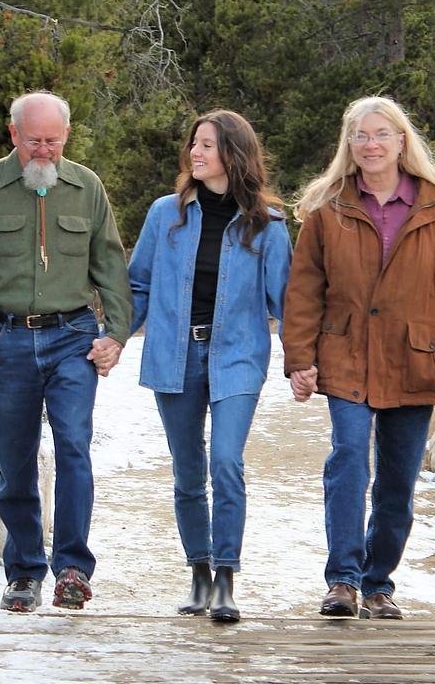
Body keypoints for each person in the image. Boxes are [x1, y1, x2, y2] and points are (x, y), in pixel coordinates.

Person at [283, 96, 435, 620]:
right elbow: (303, 292)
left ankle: (378, 583)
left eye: (381, 134)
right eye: (361, 136)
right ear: (348, 144)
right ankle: (343, 581)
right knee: (348, 459)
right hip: (345, 355)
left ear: (401, 141)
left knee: (397, 480)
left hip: (416, 361)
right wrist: (300, 358)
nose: (371, 145)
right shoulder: (328, 208)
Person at [0, 90, 132, 614]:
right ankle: (24, 571)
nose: (44, 151)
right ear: (14, 135)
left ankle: (72, 568)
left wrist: (116, 333)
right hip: (7, 341)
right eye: (33, 142)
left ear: (66, 135)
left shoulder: (87, 187)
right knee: (15, 460)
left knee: (74, 446)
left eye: (52, 140)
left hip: (73, 337)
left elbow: (110, 265)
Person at [128, 110, 292, 623]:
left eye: (207, 145)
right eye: (193, 144)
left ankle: (226, 578)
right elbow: (138, 284)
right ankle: (198, 572)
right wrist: (112, 337)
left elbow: (287, 301)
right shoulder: (165, 214)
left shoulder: (267, 224)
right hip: (173, 356)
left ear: (233, 154)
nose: (194, 153)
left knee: (226, 461)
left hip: (237, 357)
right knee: (187, 470)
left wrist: (304, 362)